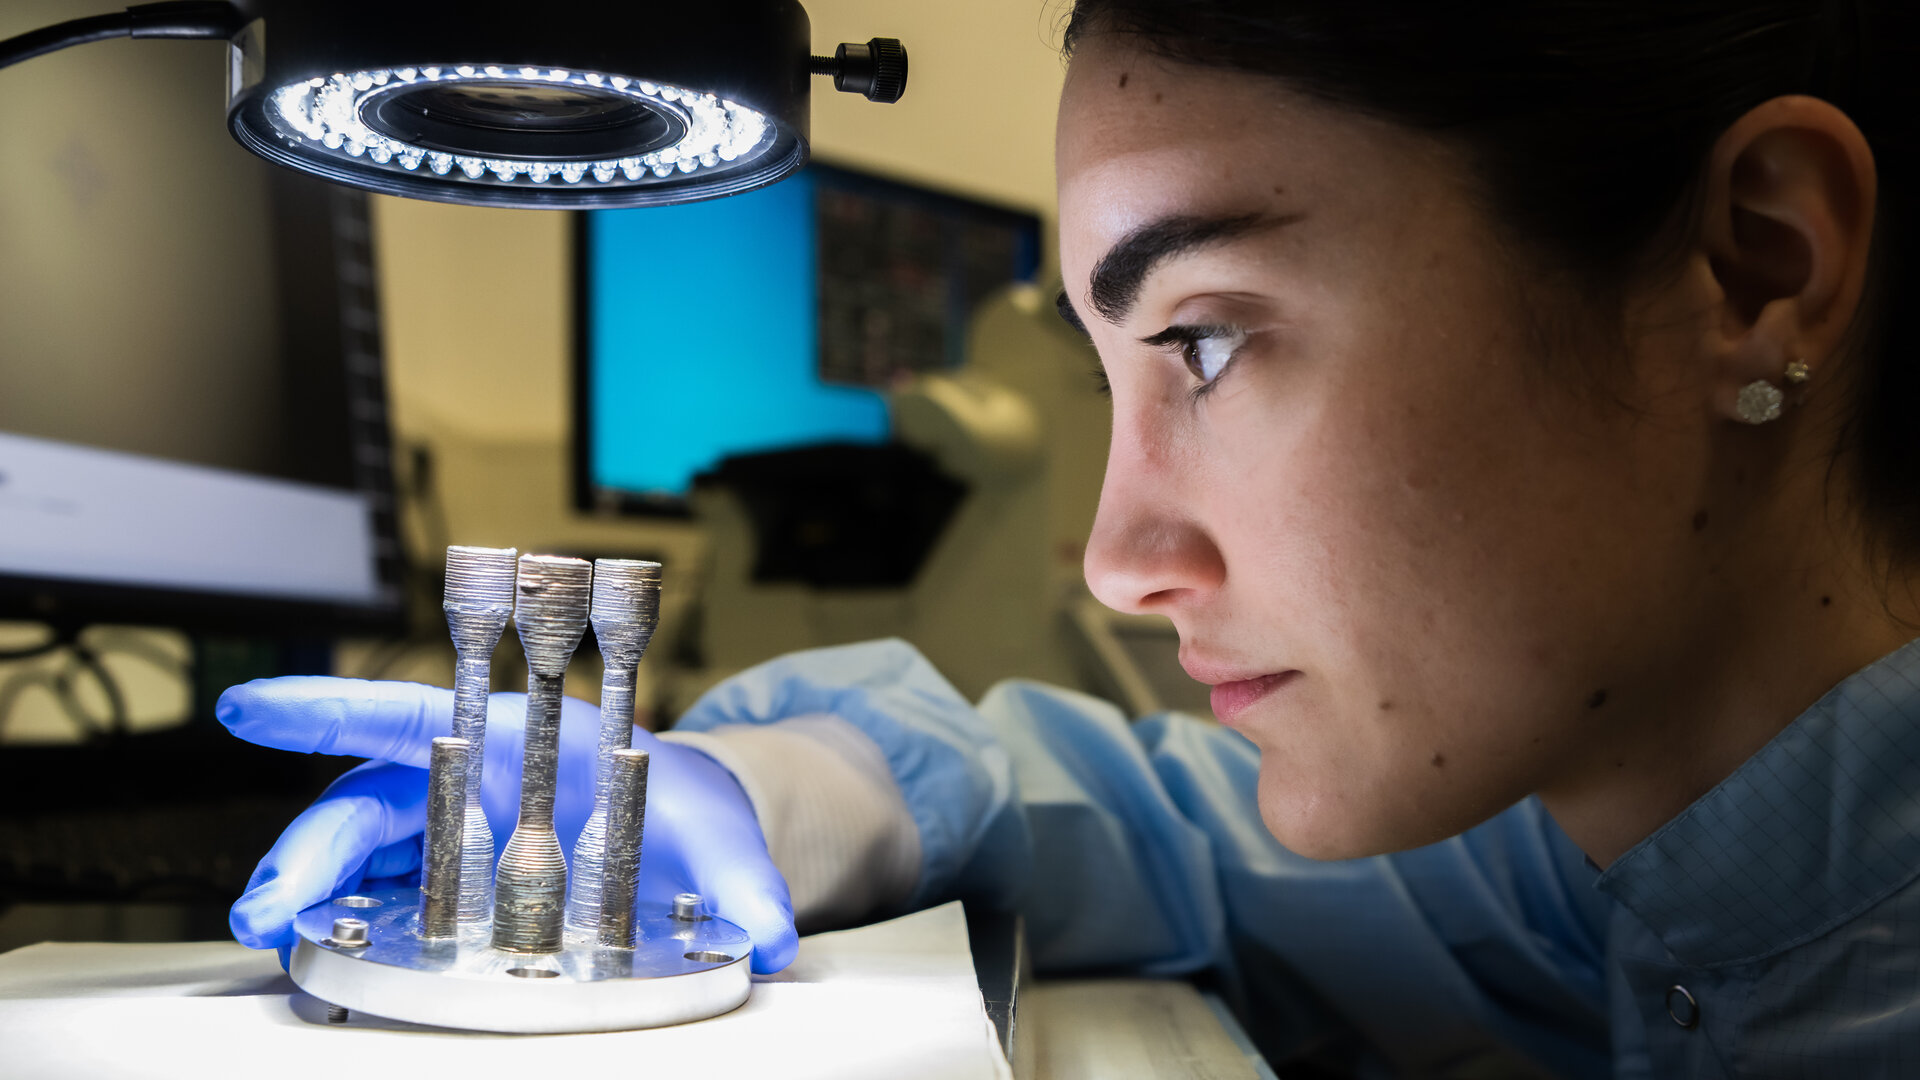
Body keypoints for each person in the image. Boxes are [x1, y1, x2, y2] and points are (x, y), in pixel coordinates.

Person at [215, 1, 1920, 1074]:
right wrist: (813, 788)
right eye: (1113, 372)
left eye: (1209, 338)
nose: (1115, 557)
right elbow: (1172, 834)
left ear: (1755, 267)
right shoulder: (1614, 871)